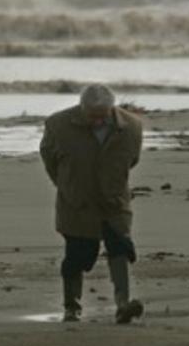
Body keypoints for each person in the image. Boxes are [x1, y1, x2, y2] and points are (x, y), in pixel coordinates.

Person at [39, 84, 144, 324]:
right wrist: (68, 186)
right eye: (92, 116)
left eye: (102, 116)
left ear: (112, 108)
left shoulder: (132, 127)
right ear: (81, 107)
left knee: (120, 249)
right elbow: (49, 160)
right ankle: (71, 308)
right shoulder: (57, 125)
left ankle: (123, 305)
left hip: (114, 200)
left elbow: (132, 160)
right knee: (76, 255)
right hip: (77, 202)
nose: (97, 121)